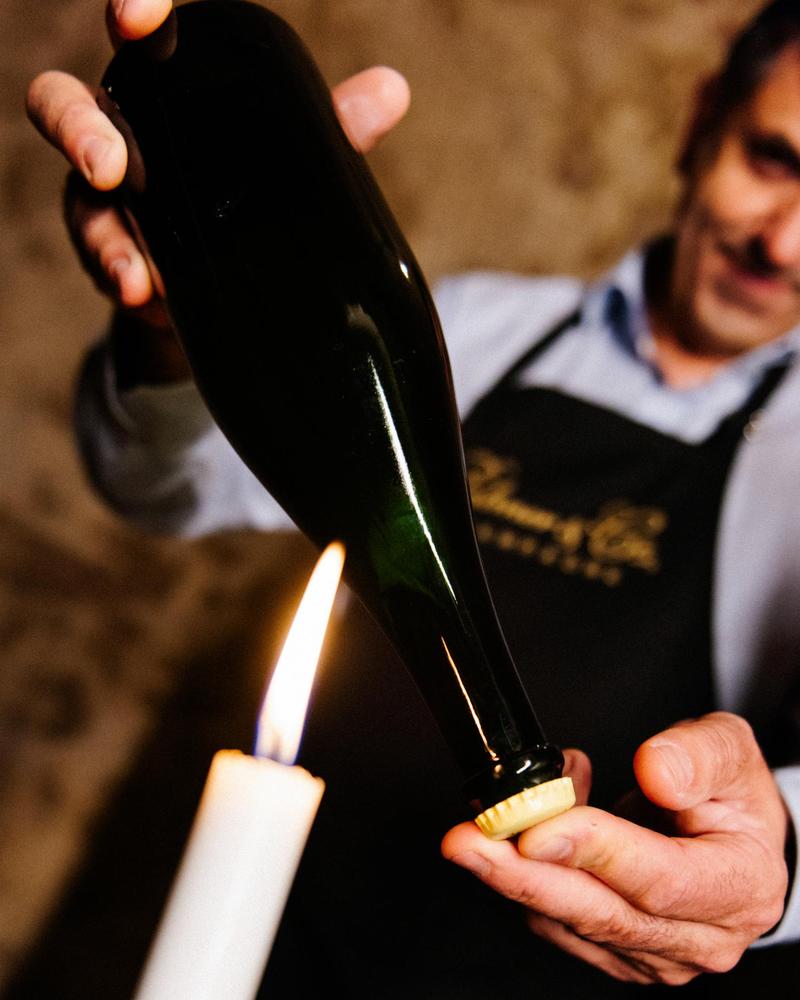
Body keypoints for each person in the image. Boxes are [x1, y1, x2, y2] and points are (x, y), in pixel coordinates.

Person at [25, 0, 800, 993]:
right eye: (771, 159)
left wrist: (779, 848)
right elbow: (162, 492)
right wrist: (169, 339)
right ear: (701, 122)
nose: (778, 241)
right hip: (271, 950)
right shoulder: (467, 326)